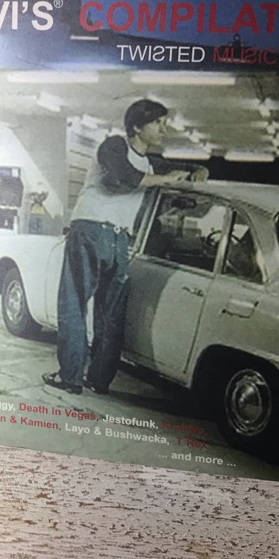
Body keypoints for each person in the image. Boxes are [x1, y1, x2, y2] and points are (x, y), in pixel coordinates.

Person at [43, 99, 209, 395]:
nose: (163, 129)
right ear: (137, 126)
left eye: (164, 123)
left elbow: (181, 169)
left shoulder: (150, 162)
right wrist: (167, 178)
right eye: (158, 123)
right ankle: (77, 377)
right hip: (93, 230)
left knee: (102, 311)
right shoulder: (114, 146)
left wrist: (198, 169)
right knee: (82, 306)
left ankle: (91, 379)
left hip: (116, 238)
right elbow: (123, 177)